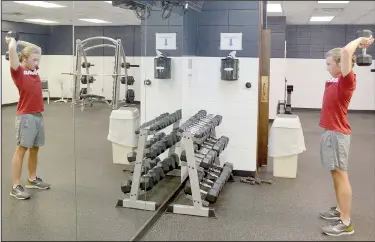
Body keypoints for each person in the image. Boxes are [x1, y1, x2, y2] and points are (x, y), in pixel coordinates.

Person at [318, 35, 374, 236]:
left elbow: (346, 52)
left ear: (341, 64)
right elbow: (345, 55)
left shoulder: (347, 81)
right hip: (331, 131)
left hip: (338, 134)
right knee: (336, 174)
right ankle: (340, 209)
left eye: (329, 63)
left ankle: (345, 222)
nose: (327, 67)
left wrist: (360, 40)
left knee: (341, 175)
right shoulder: (336, 79)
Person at [6, 34, 51, 200]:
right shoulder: (18, 71)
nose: (37, 63)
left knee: (35, 148)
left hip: (38, 114)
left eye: (38, 60)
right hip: (25, 116)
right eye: (34, 59)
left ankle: (32, 179)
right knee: (21, 149)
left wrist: (23, 42)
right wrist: (12, 41)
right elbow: (12, 50)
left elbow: (38, 49)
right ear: (24, 59)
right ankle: (16, 186)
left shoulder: (33, 70)